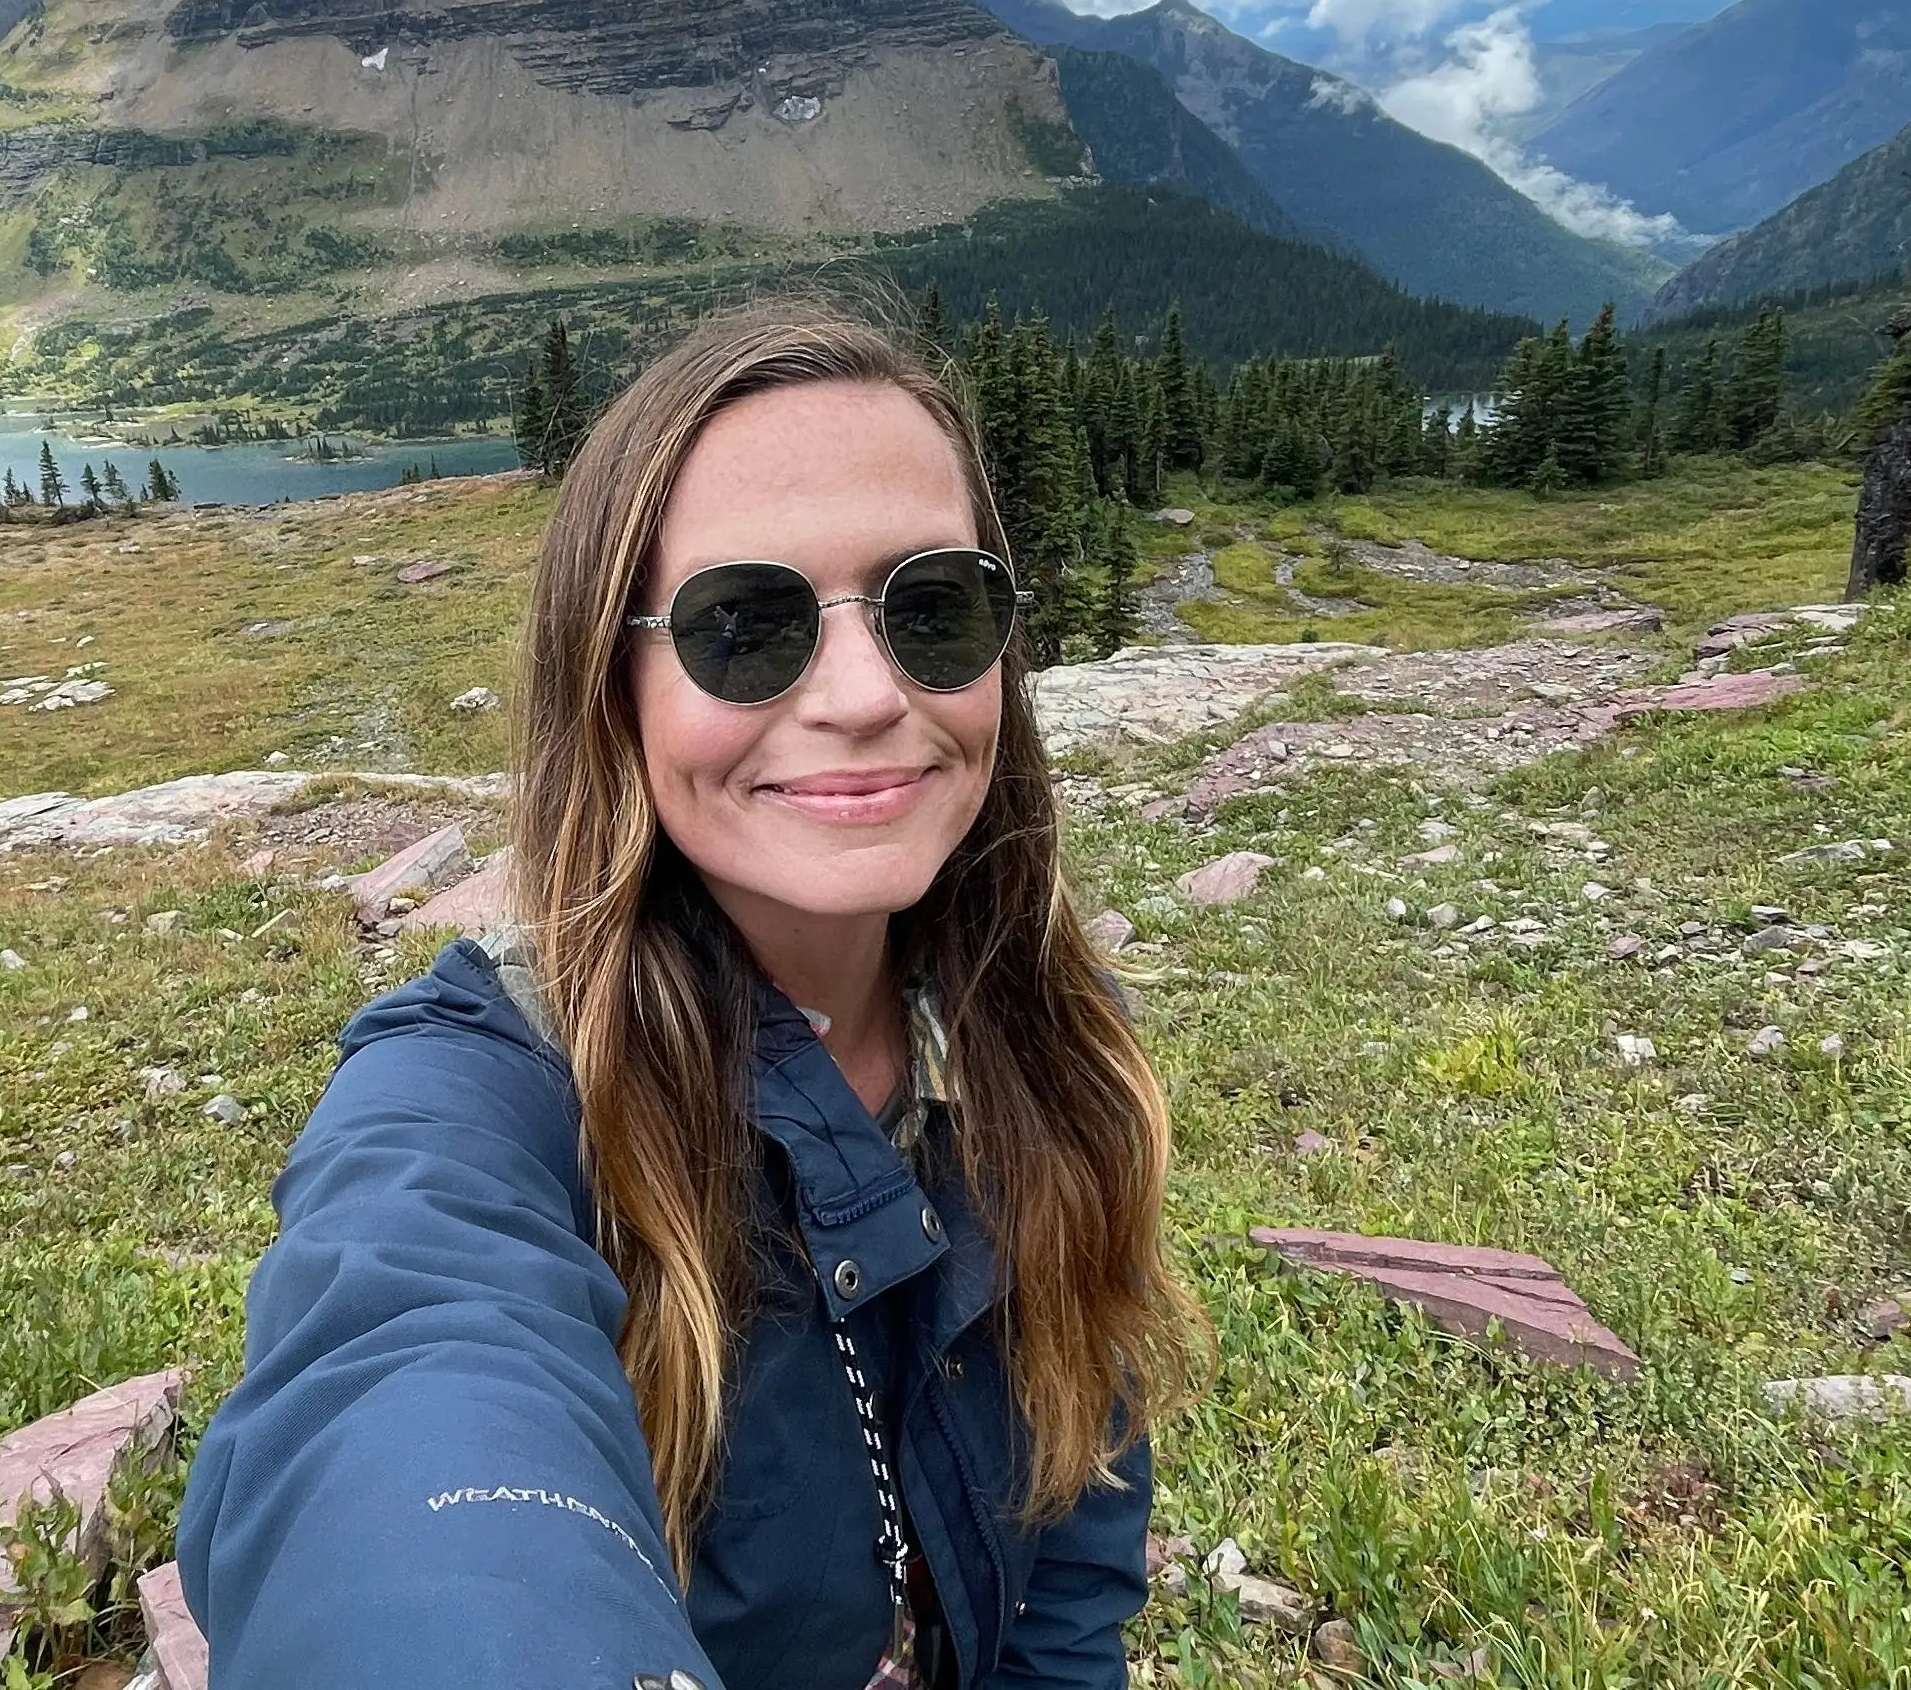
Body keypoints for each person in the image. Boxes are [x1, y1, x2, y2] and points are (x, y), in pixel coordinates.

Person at [177, 303, 1194, 1687]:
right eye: (746, 624)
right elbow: (405, 1428)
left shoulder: (1053, 1052)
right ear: (615, 683)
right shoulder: (483, 1094)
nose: (861, 693)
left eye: (933, 608)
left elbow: (1065, 1584)